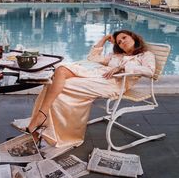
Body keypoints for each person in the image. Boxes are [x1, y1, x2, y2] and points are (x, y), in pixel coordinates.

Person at [24, 30, 156, 148]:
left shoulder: (145, 55)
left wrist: (122, 68)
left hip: (114, 84)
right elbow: (92, 57)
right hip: (98, 75)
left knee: (60, 85)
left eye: (124, 38)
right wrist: (104, 39)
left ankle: (44, 124)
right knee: (60, 70)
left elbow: (150, 71)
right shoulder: (116, 55)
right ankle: (43, 116)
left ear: (133, 37)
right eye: (119, 42)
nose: (122, 42)